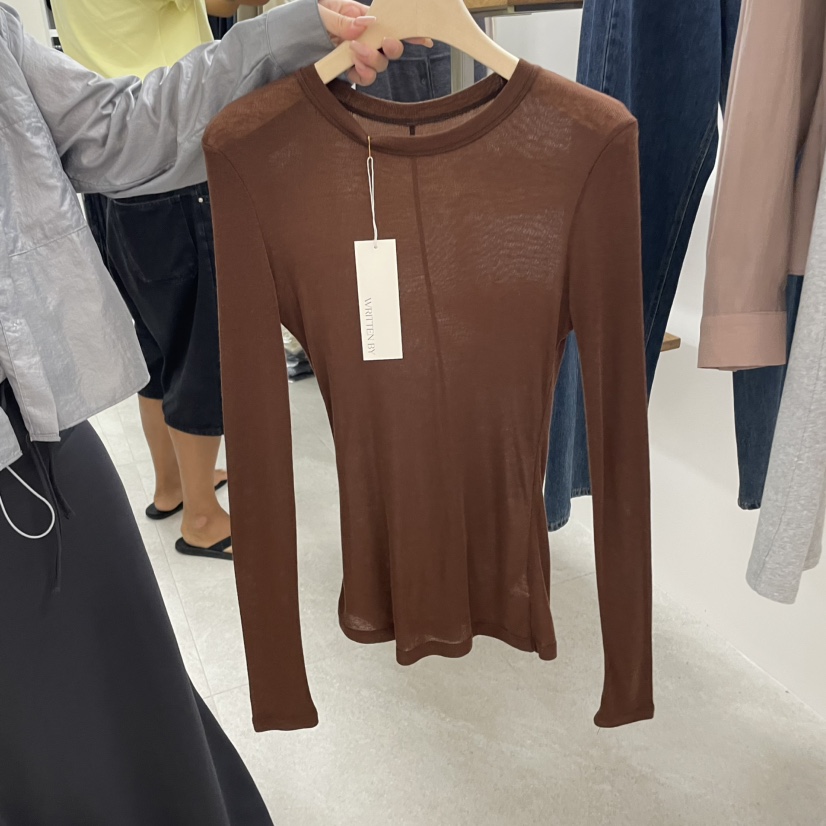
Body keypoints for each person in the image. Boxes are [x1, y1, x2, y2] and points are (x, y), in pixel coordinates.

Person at [0, 2, 403, 822]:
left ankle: (183, 498)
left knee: (118, 693)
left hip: (33, 422)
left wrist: (290, 36)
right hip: (158, 211)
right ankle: (198, 512)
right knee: (193, 356)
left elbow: (108, 129)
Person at [50, 0, 283, 560]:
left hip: (109, 173)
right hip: (170, 161)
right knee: (199, 346)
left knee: (154, 343)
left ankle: (172, 485)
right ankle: (202, 517)